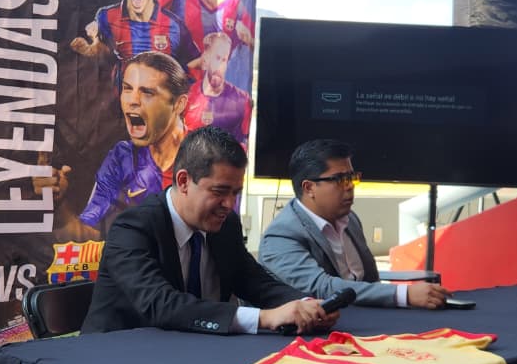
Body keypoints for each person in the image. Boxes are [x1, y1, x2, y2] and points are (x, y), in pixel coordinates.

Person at [82, 126, 337, 335]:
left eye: (235, 193)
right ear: (183, 181)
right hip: (114, 359)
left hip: (188, 354)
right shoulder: (132, 228)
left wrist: (304, 304)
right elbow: (160, 304)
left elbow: (253, 280)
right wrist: (264, 318)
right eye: (219, 191)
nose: (229, 204)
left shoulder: (226, 225)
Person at [258, 139, 449, 309]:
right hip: (323, 330)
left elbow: (370, 280)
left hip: (367, 317)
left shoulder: (349, 219)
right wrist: (403, 294)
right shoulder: (281, 236)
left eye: (352, 177)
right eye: (340, 179)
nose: (350, 186)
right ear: (309, 188)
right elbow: (322, 287)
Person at [77, 51, 188, 232]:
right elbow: (91, 217)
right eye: (127, 89)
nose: (132, 101)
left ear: (178, 104)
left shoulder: (203, 158)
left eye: (147, 92)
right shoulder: (122, 156)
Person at [184, 32, 252, 147]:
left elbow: (246, 142)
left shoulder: (242, 100)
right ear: (205, 60)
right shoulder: (187, 97)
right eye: (217, 58)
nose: (220, 66)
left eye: (224, 60)